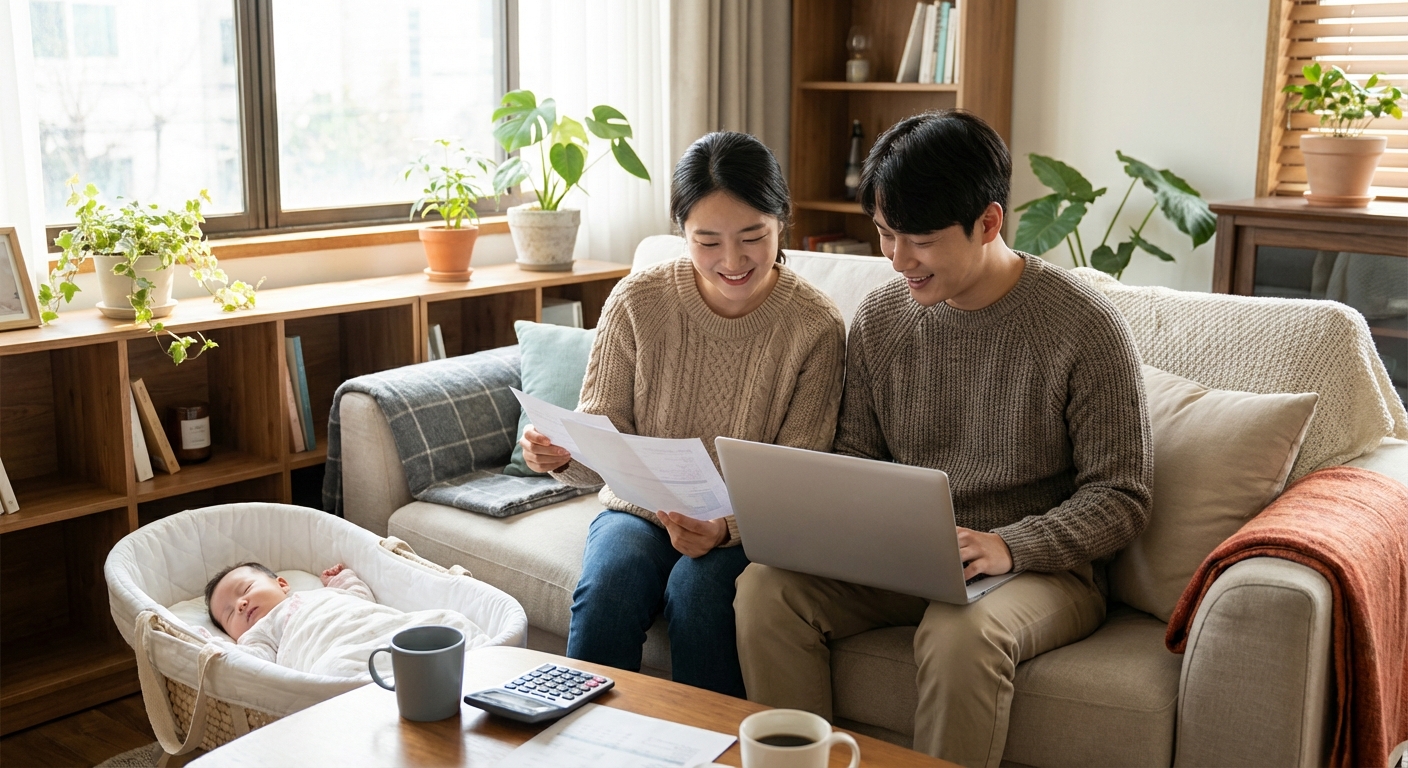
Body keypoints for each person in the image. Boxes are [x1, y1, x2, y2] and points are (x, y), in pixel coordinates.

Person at [733, 110, 1154, 767]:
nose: (898, 259)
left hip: (1038, 568)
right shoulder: (880, 319)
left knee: (961, 633)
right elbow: (856, 459)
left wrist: (1007, 546)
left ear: (988, 222)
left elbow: (1122, 496)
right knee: (766, 591)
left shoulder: (1083, 326)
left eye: (920, 241)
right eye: (885, 233)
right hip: (906, 558)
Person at [518, 131, 846, 698]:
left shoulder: (814, 326)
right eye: (707, 241)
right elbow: (601, 438)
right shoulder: (637, 301)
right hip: (639, 510)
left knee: (699, 594)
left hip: (747, 526)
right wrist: (562, 455)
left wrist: (725, 529)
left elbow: (799, 479)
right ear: (681, 232)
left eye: (753, 237)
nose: (732, 261)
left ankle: (708, 743)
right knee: (610, 584)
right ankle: (581, 735)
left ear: (782, 223)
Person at [204, 562, 490, 677]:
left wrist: (342, 579)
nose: (240, 604)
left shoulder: (317, 594)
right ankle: (393, 685)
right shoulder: (259, 634)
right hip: (333, 650)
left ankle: (484, 660)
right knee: (333, 669)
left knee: (448, 620)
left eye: (246, 589)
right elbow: (252, 661)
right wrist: (211, 644)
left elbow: (360, 599)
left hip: (379, 627)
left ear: (282, 584)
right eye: (229, 614)